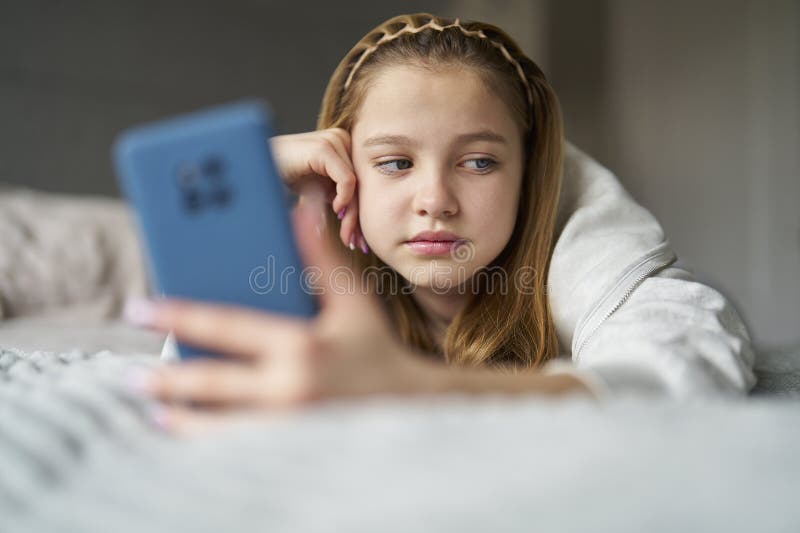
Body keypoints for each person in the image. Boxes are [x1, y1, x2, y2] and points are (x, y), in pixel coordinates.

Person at [123, 13, 756, 428]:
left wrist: (417, 390)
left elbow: (685, 354)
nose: (436, 199)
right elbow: (202, 373)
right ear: (345, 169)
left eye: (479, 162)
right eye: (395, 163)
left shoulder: (579, 242)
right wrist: (253, 204)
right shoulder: (314, 265)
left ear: (528, 172)